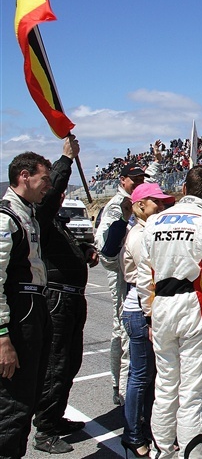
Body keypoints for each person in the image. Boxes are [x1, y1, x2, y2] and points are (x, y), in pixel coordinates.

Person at [136, 165, 202, 458]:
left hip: (161, 308)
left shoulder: (154, 222)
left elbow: (145, 276)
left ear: (182, 189)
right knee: (192, 394)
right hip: (195, 309)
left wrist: (149, 316)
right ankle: (192, 455)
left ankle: (162, 451)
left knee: (165, 388)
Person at [32, 137, 97, 454]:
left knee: (69, 363)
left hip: (72, 299)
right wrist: (66, 160)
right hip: (57, 300)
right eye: (45, 182)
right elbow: (51, 194)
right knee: (56, 365)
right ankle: (44, 431)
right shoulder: (38, 212)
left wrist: (84, 251)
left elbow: (63, 251)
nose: (50, 189)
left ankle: (55, 417)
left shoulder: (56, 219)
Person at [95, 145, 161, 406]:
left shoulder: (140, 199)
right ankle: (122, 391)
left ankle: (132, 389)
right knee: (122, 334)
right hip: (124, 276)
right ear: (122, 180)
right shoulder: (115, 208)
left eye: (141, 179)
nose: (139, 183)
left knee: (131, 337)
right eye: (134, 180)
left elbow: (149, 187)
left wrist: (155, 164)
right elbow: (106, 253)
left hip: (138, 273)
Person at [0, 152, 53, 459]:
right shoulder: (7, 217)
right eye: (44, 178)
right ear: (24, 176)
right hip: (18, 318)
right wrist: (3, 336)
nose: (47, 185)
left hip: (34, 311)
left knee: (27, 400)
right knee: (12, 406)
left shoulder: (27, 213)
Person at [121, 183, 174, 457]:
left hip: (146, 310)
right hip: (141, 311)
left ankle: (148, 430)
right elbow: (148, 278)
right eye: (157, 202)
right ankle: (133, 434)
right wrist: (151, 318)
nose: (162, 207)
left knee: (150, 376)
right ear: (140, 205)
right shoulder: (141, 236)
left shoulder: (148, 231)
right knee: (140, 377)